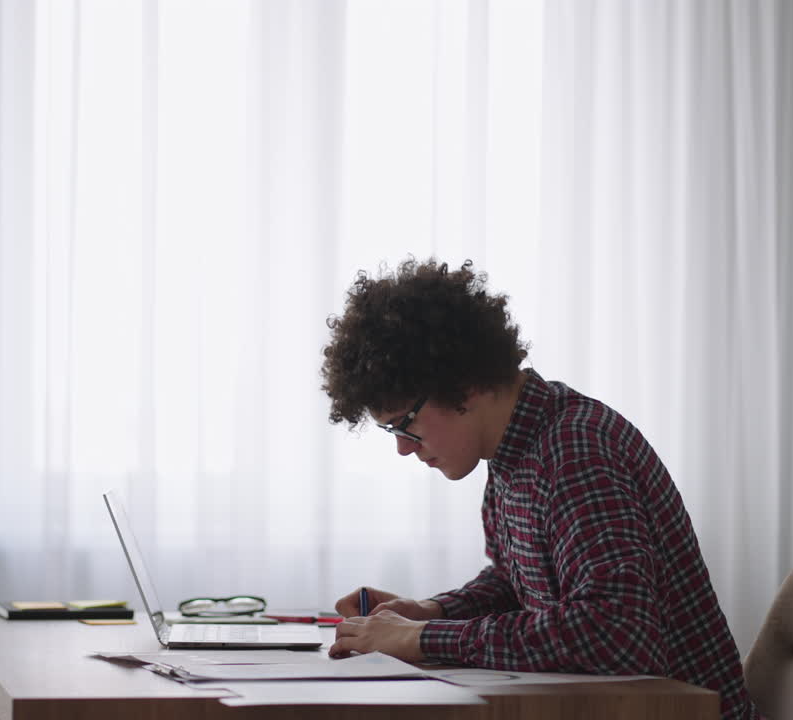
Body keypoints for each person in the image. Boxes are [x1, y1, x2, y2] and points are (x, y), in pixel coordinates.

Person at [319, 257, 760, 720]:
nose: (403, 449)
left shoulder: (576, 449)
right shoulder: (511, 453)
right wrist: (429, 612)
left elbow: (617, 634)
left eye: (403, 424)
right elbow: (519, 586)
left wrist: (422, 639)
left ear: (463, 384)